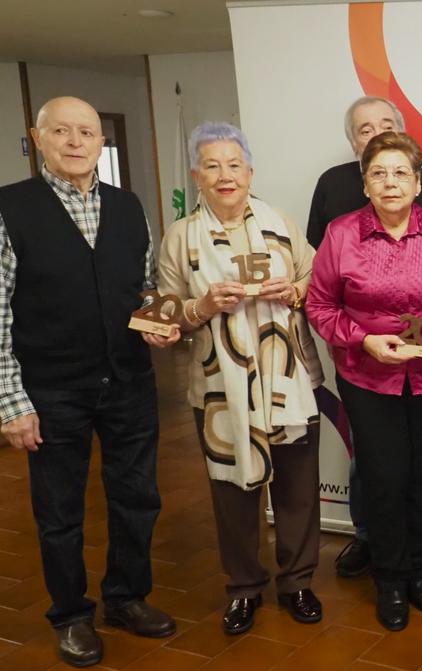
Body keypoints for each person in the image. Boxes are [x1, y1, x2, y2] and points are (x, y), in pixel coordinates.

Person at [0, 96, 177, 668]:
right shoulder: (10, 209)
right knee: (60, 511)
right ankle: (71, 615)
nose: (76, 142)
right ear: (37, 137)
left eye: (87, 132)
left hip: (128, 380)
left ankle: (126, 597)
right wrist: (11, 403)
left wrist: (157, 324)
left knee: (137, 498)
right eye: (62, 131)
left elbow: (145, 288)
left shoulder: (129, 208)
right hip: (51, 389)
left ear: (101, 142)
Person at [157, 121, 325, 637]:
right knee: (232, 491)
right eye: (212, 165)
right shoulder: (180, 235)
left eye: (234, 165)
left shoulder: (280, 222)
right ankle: (244, 588)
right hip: (218, 386)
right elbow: (164, 313)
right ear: (196, 176)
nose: (225, 175)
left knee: (297, 489)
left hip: (288, 376)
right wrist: (201, 305)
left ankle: (297, 581)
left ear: (250, 172)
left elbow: (316, 280)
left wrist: (292, 291)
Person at [307, 131, 422, 631]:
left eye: (402, 172)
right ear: (365, 184)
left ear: (419, 183)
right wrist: (363, 340)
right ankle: (391, 580)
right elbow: (319, 305)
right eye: (379, 173)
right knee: (384, 480)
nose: (391, 182)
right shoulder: (341, 234)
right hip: (368, 379)